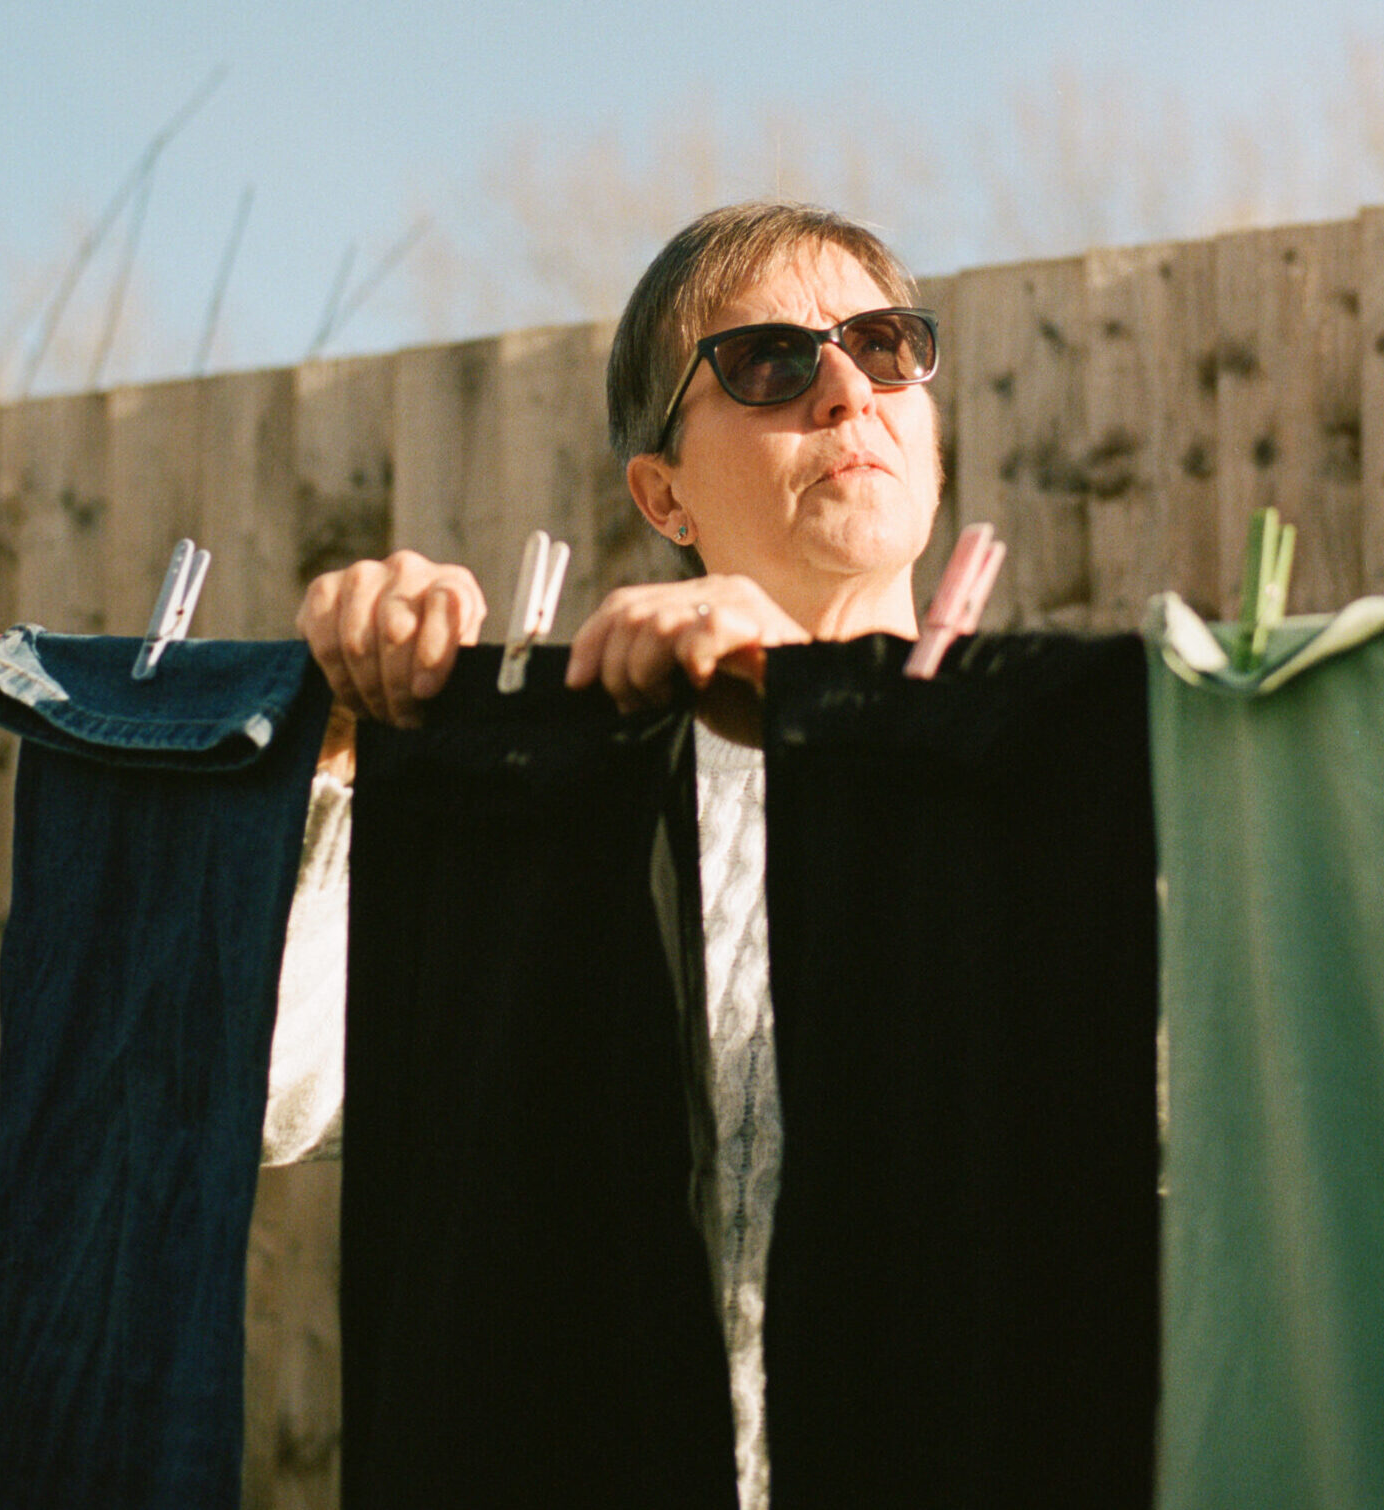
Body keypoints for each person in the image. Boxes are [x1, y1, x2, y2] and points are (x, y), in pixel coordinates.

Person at [291, 200, 944, 1510]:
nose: (842, 390)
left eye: (881, 346)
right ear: (663, 494)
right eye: (767, 360)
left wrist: (839, 748)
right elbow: (269, 1093)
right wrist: (343, 751)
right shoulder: (544, 814)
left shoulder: (1054, 781)